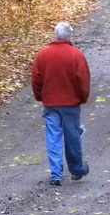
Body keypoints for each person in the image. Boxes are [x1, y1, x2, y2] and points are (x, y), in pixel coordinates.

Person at [31, 22, 91, 186]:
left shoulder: (43, 55)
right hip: (71, 104)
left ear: (56, 35)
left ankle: (56, 174)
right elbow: (83, 81)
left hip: (50, 104)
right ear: (69, 36)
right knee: (72, 137)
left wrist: (40, 97)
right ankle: (77, 170)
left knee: (53, 138)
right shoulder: (76, 55)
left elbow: (36, 80)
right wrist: (82, 98)